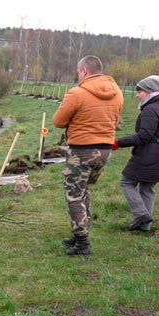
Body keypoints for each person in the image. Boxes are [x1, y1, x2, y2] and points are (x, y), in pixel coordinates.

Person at [53, 55, 123, 256]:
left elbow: (58, 121)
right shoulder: (117, 92)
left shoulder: (77, 93)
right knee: (84, 191)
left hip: (81, 150)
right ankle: (79, 232)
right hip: (105, 150)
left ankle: (82, 242)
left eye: (78, 72)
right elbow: (116, 118)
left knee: (74, 195)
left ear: (84, 70)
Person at [113, 75, 159, 232]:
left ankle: (141, 215)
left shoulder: (150, 110)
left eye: (139, 91)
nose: (137, 94)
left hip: (149, 155)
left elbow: (144, 135)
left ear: (149, 92)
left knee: (126, 182)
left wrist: (118, 143)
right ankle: (145, 226)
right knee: (147, 188)